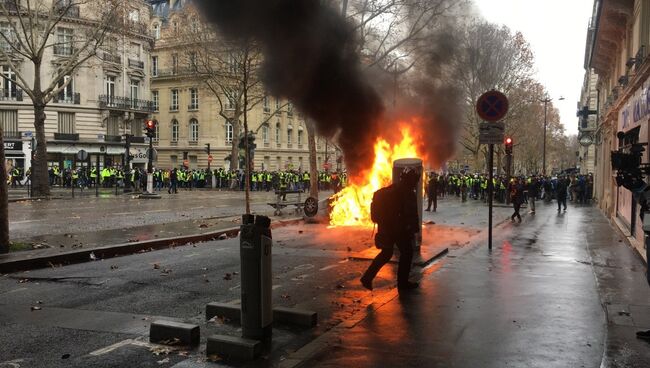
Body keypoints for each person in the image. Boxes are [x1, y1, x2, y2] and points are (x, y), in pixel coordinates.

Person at [360, 169, 421, 292]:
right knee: (407, 253)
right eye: (415, 180)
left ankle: (367, 277)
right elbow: (410, 214)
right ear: (411, 180)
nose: (416, 183)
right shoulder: (407, 192)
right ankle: (402, 284)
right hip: (399, 230)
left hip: (386, 227)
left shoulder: (393, 188)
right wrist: (414, 230)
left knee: (386, 253)